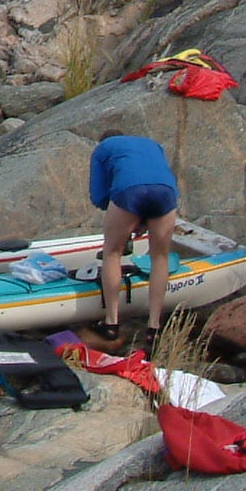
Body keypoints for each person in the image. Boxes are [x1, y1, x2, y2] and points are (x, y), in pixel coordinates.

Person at [87, 129, 180, 347]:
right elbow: (155, 179)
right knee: (160, 257)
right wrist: (144, 220)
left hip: (129, 191)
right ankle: (154, 327)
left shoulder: (103, 149)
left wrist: (127, 220)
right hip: (166, 193)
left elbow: (98, 195)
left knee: (112, 253)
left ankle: (111, 323)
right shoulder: (152, 143)